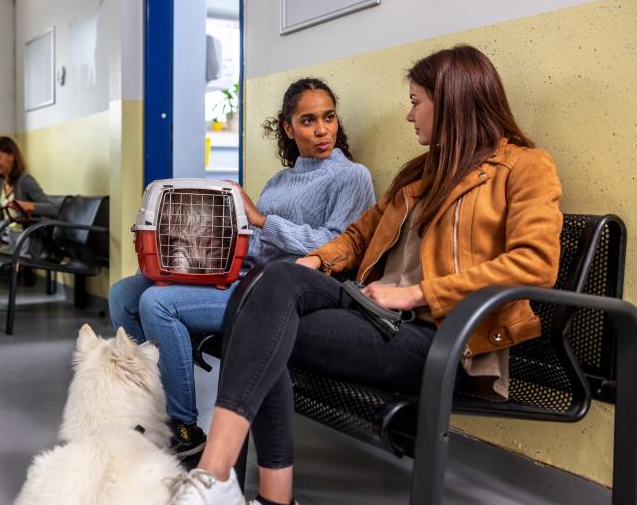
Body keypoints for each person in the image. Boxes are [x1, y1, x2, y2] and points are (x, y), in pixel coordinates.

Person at [167, 45, 563, 505]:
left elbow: (535, 262)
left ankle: (225, 478)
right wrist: (313, 262)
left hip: (441, 336)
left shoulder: (525, 167)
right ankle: (234, 484)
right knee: (268, 284)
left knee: (263, 315)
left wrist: (416, 293)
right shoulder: (421, 172)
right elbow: (357, 235)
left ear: (451, 101)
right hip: (376, 314)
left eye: (416, 101)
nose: (409, 115)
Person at [109, 78, 376, 467]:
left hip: (274, 294)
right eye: (308, 120)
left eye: (329, 117)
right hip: (239, 275)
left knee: (158, 304)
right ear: (288, 127)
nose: (322, 130)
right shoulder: (281, 180)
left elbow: (337, 248)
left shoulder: (353, 176)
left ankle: (184, 429)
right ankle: (148, 409)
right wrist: (187, 248)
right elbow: (251, 239)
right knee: (125, 293)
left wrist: (261, 219)